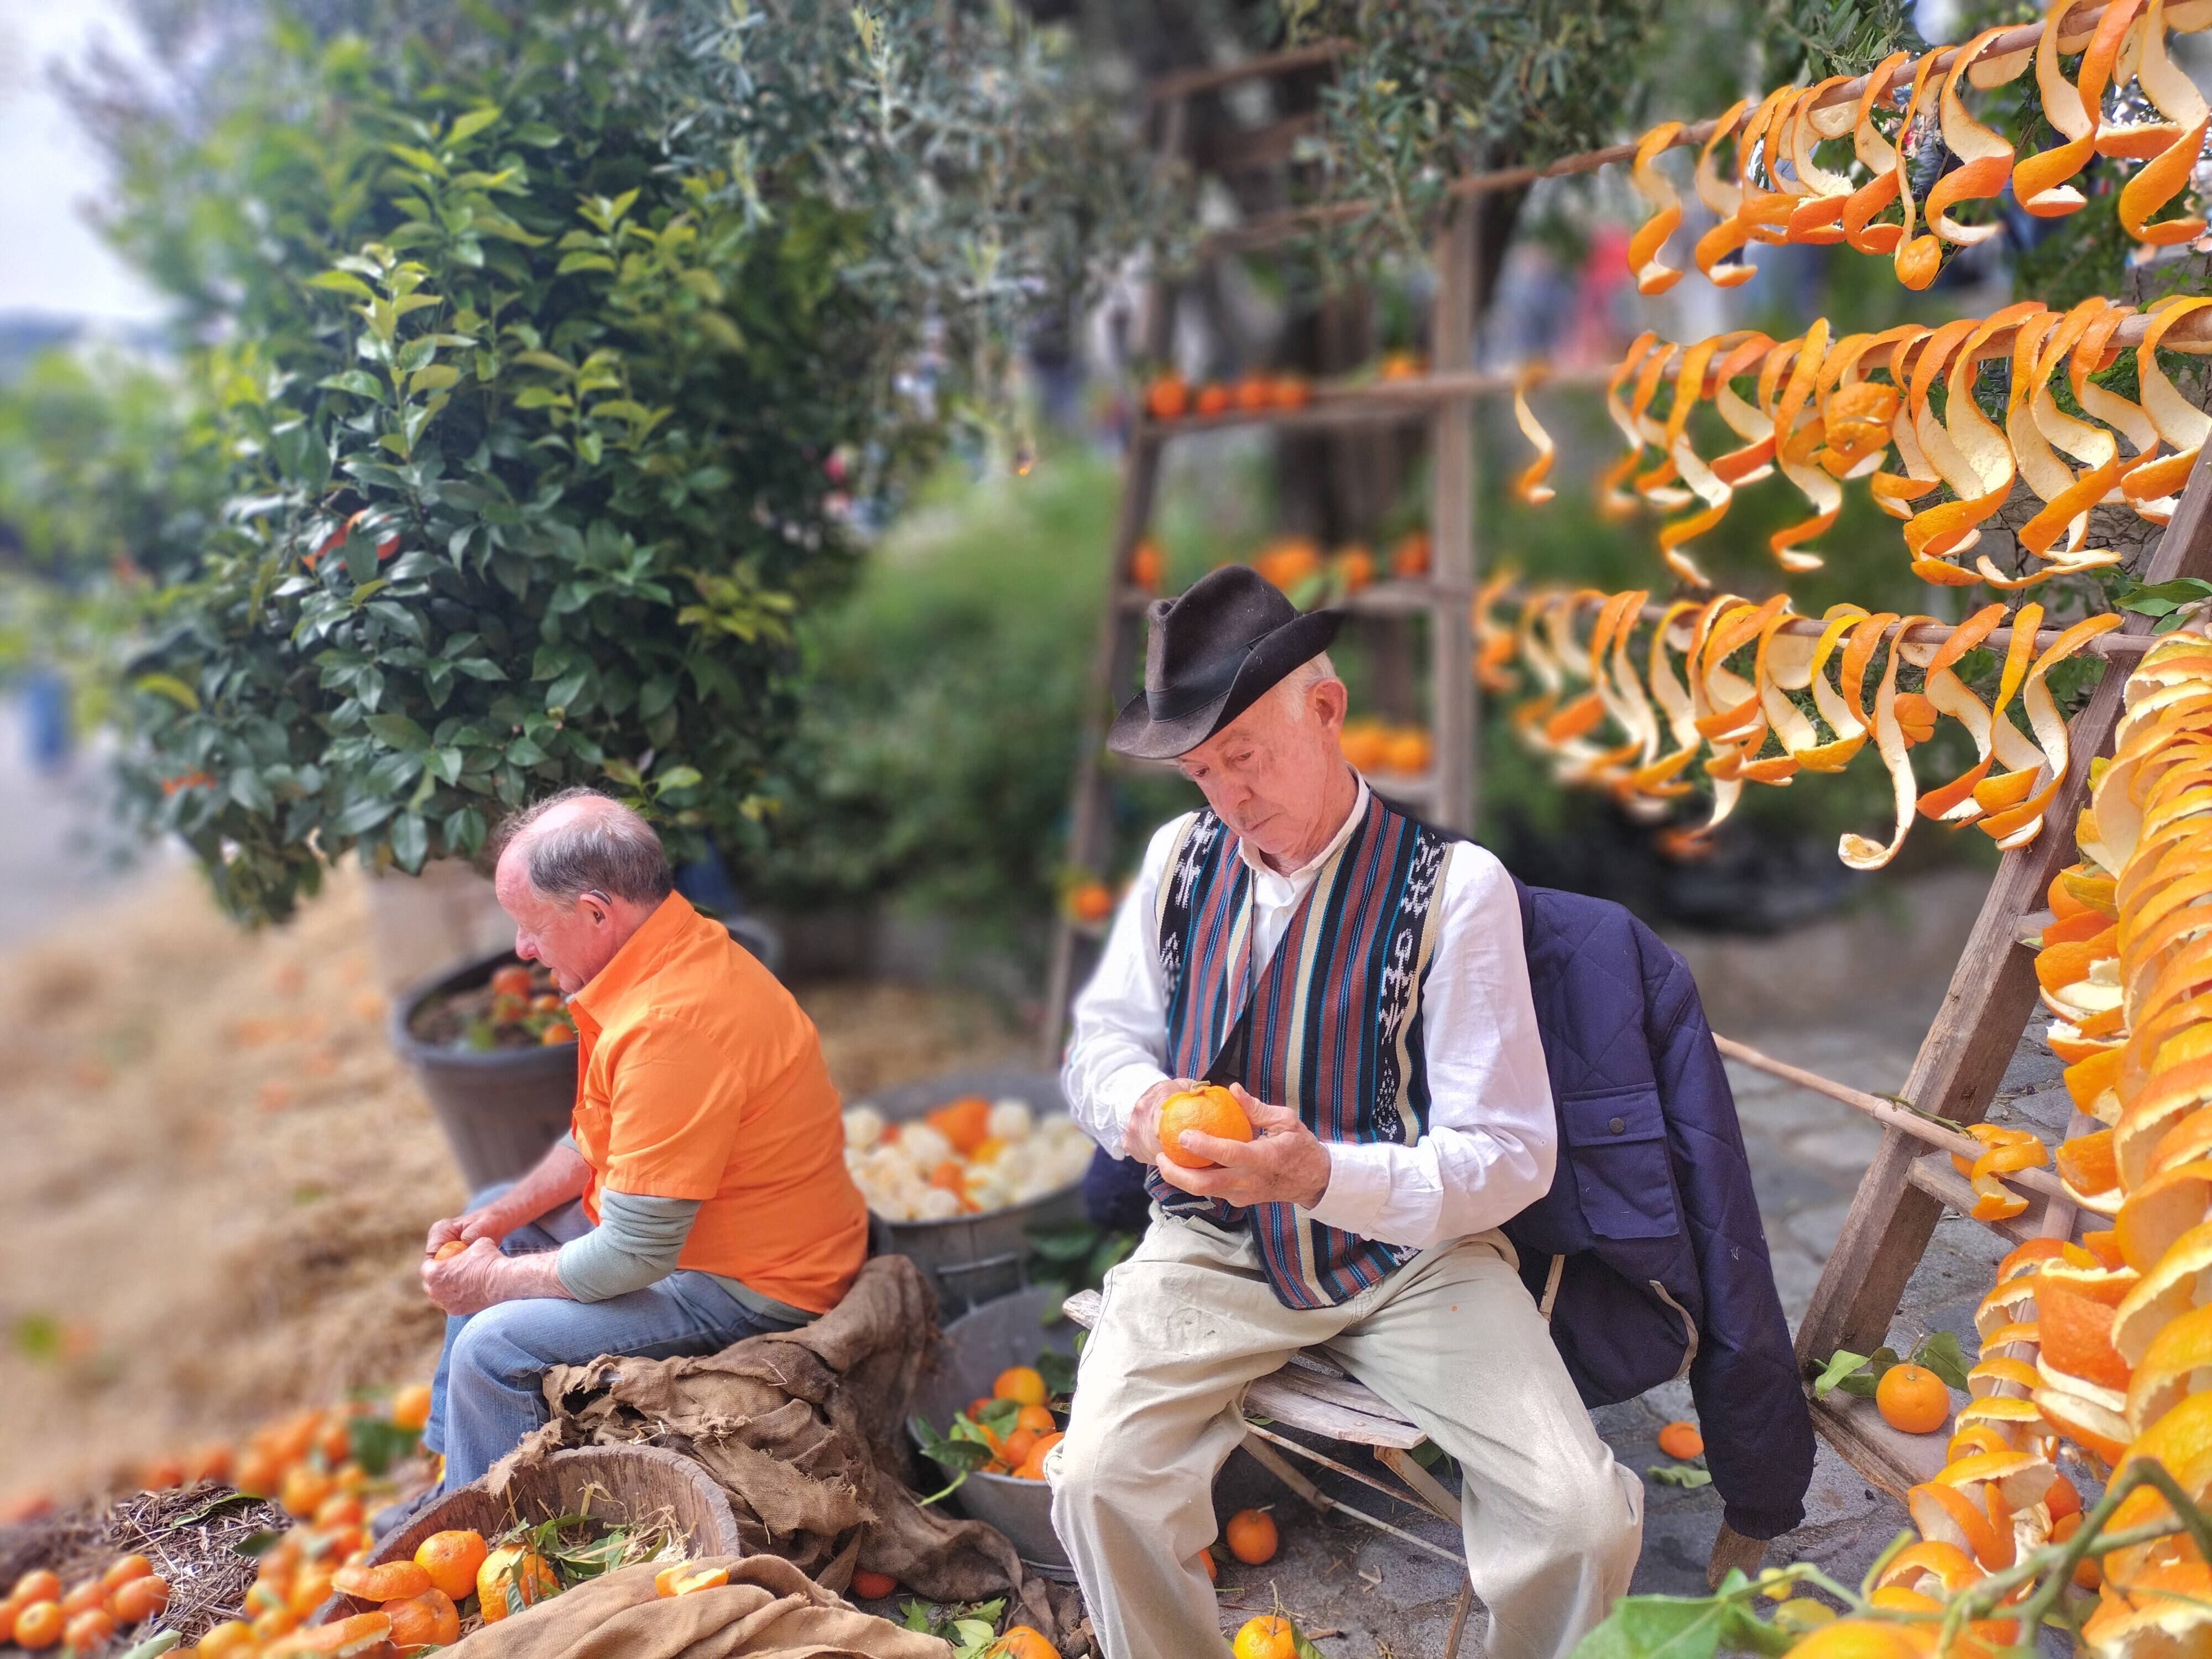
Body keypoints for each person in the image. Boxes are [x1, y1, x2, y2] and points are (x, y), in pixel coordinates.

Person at [1050, 566, 1642, 1659]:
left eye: (1245, 755)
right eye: (1200, 770)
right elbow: (1099, 1046)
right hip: (1215, 1247)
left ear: (1324, 712)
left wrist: (1322, 1176)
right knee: (1094, 1484)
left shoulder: (1456, 891)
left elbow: (1510, 1157)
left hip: (1413, 1259)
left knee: (1578, 1520)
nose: (1226, 796)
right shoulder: (1177, 862)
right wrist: (1146, 1116)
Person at [412, 789, 868, 1497]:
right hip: (697, 1239)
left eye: (530, 926)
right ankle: (452, 1479)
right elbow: (596, 1135)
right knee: (493, 1204)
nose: (521, 949)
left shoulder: (668, 1027)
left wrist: (492, 1284)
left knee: (491, 1346)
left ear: (595, 912)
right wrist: (501, 1224)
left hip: (752, 1287)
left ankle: (488, 1536)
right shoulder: (656, 956)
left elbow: (636, 1254)